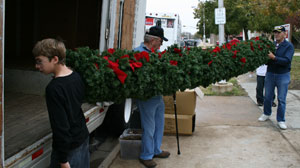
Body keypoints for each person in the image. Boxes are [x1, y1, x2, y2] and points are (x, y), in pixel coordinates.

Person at [33, 38, 90, 168]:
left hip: (69, 151)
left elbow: (61, 127)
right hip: (82, 138)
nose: (36, 66)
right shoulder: (76, 76)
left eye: (39, 61)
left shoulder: (54, 89)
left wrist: (63, 160)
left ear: (55, 59)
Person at [134, 26, 170, 168]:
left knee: (159, 124)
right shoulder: (138, 53)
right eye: (161, 41)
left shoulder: (157, 53)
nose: (161, 45)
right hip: (147, 97)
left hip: (157, 96)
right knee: (149, 127)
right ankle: (146, 155)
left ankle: (156, 150)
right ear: (154, 40)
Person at [258, 26, 294, 130]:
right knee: (268, 96)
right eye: (275, 33)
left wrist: (274, 57)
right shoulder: (271, 45)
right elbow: (267, 60)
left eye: (278, 32)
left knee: (281, 99)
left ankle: (281, 120)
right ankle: (266, 113)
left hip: (283, 75)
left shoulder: (289, 46)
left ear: (284, 34)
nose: (276, 34)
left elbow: (287, 61)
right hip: (270, 73)